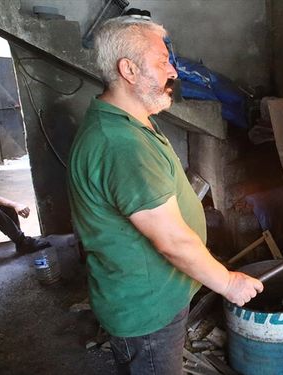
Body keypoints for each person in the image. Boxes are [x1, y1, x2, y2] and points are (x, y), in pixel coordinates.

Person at [67, 17, 263, 374]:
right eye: (161, 61)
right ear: (128, 69)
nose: (173, 71)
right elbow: (172, 241)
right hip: (148, 313)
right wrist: (228, 283)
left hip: (154, 298)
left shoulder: (128, 120)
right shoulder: (121, 145)